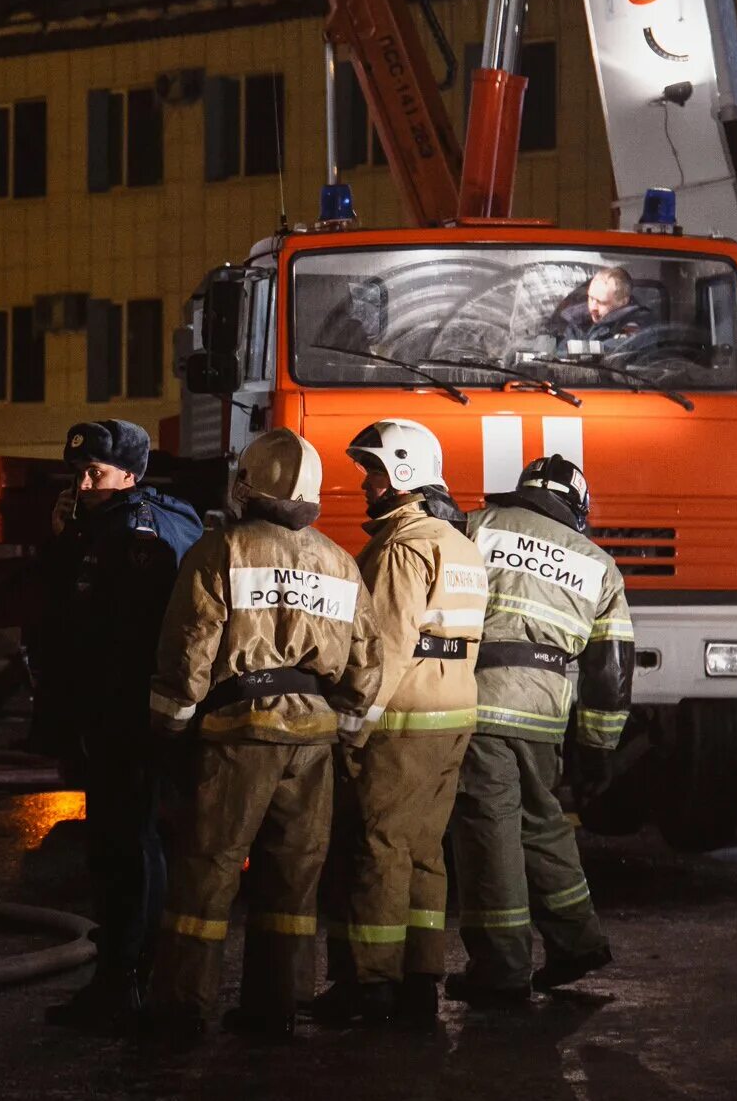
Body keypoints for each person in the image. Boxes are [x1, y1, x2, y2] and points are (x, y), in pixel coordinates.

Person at [145, 428, 381, 1042]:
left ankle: (181, 1008)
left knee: (209, 869)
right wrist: (348, 734)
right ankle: (278, 1006)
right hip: (314, 739)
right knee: (294, 878)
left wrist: (169, 724)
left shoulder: (222, 549)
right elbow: (365, 662)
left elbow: (191, 644)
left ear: (248, 485)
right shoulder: (339, 560)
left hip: (239, 733)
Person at [30, 419, 202, 1032]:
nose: (82, 483)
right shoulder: (148, 520)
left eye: (95, 473)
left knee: (124, 846)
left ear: (129, 475)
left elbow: (105, 634)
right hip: (132, 715)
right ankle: (133, 973)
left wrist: (63, 547)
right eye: (77, 472)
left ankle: (123, 981)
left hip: (123, 716)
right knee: (135, 840)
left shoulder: (128, 532)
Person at [316, 419, 487, 1030]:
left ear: (404, 474)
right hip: (452, 717)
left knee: (378, 847)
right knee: (422, 853)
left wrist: (353, 723)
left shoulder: (401, 548)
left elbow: (384, 647)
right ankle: (420, 978)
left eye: (375, 471)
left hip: (403, 720)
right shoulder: (458, 543)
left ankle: (372, 983)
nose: (366, 484)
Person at [451, 454, 634, 1006]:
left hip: (482, 702)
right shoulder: (597, 563)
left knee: (488, 830)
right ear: (576, 507)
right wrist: (598, 746)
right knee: (542, 822)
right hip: (545, 714)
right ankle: (577, 941)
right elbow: (612, 670)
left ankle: (501, 970)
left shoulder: (478, 526)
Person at [548, 266, 651, 349]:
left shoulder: (635, 325)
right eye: (591, 298)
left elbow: (619, 352)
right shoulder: (578, 322)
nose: (593, 307)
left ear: (623, 301)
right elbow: (561, 355)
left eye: (601, 302)